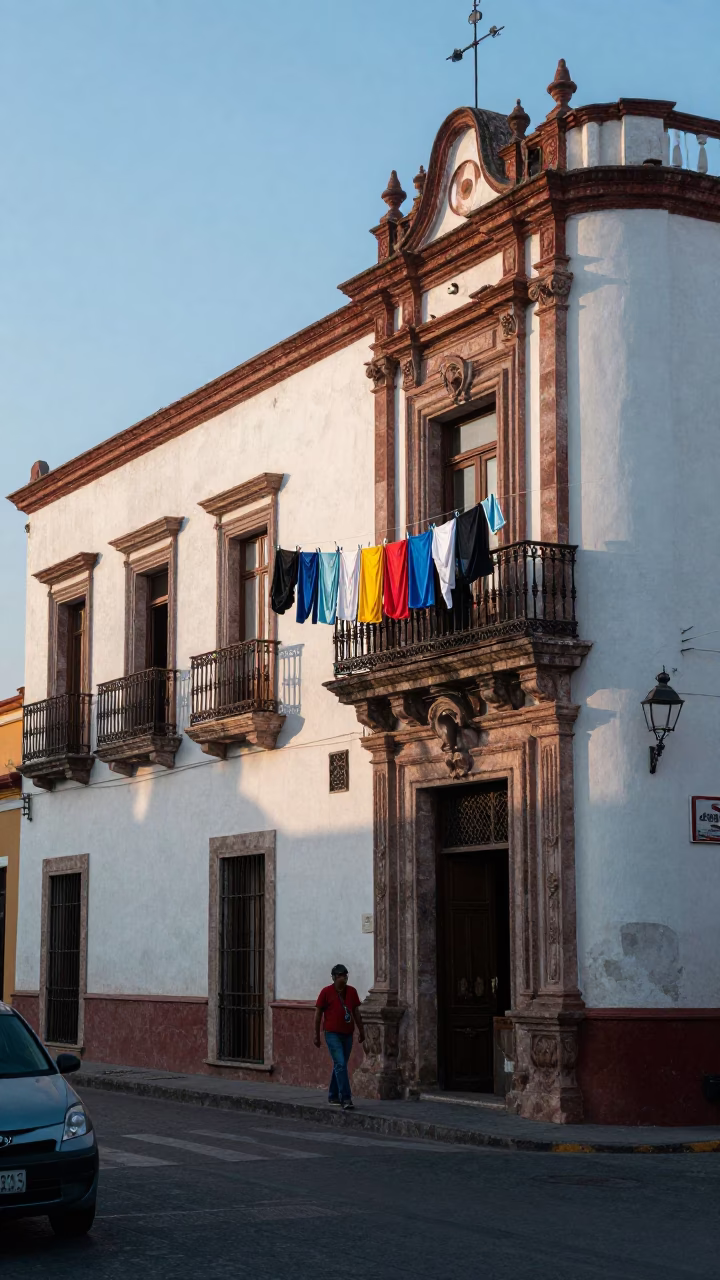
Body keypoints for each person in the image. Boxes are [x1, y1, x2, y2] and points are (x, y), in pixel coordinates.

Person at [314, 964, 365, 1110]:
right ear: (335, 977)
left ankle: (333, 1095)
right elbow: (318, 1015)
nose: (345, 977)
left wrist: (361, 1031)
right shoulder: (326, 992)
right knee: (341, 1064)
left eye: (346, 975)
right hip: (332, 1034)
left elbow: (356, 1012)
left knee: (339, 1065)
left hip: (348, 1034)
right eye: (342, 975)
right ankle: (346, 1098)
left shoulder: (352, 992)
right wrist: (316, 1035)